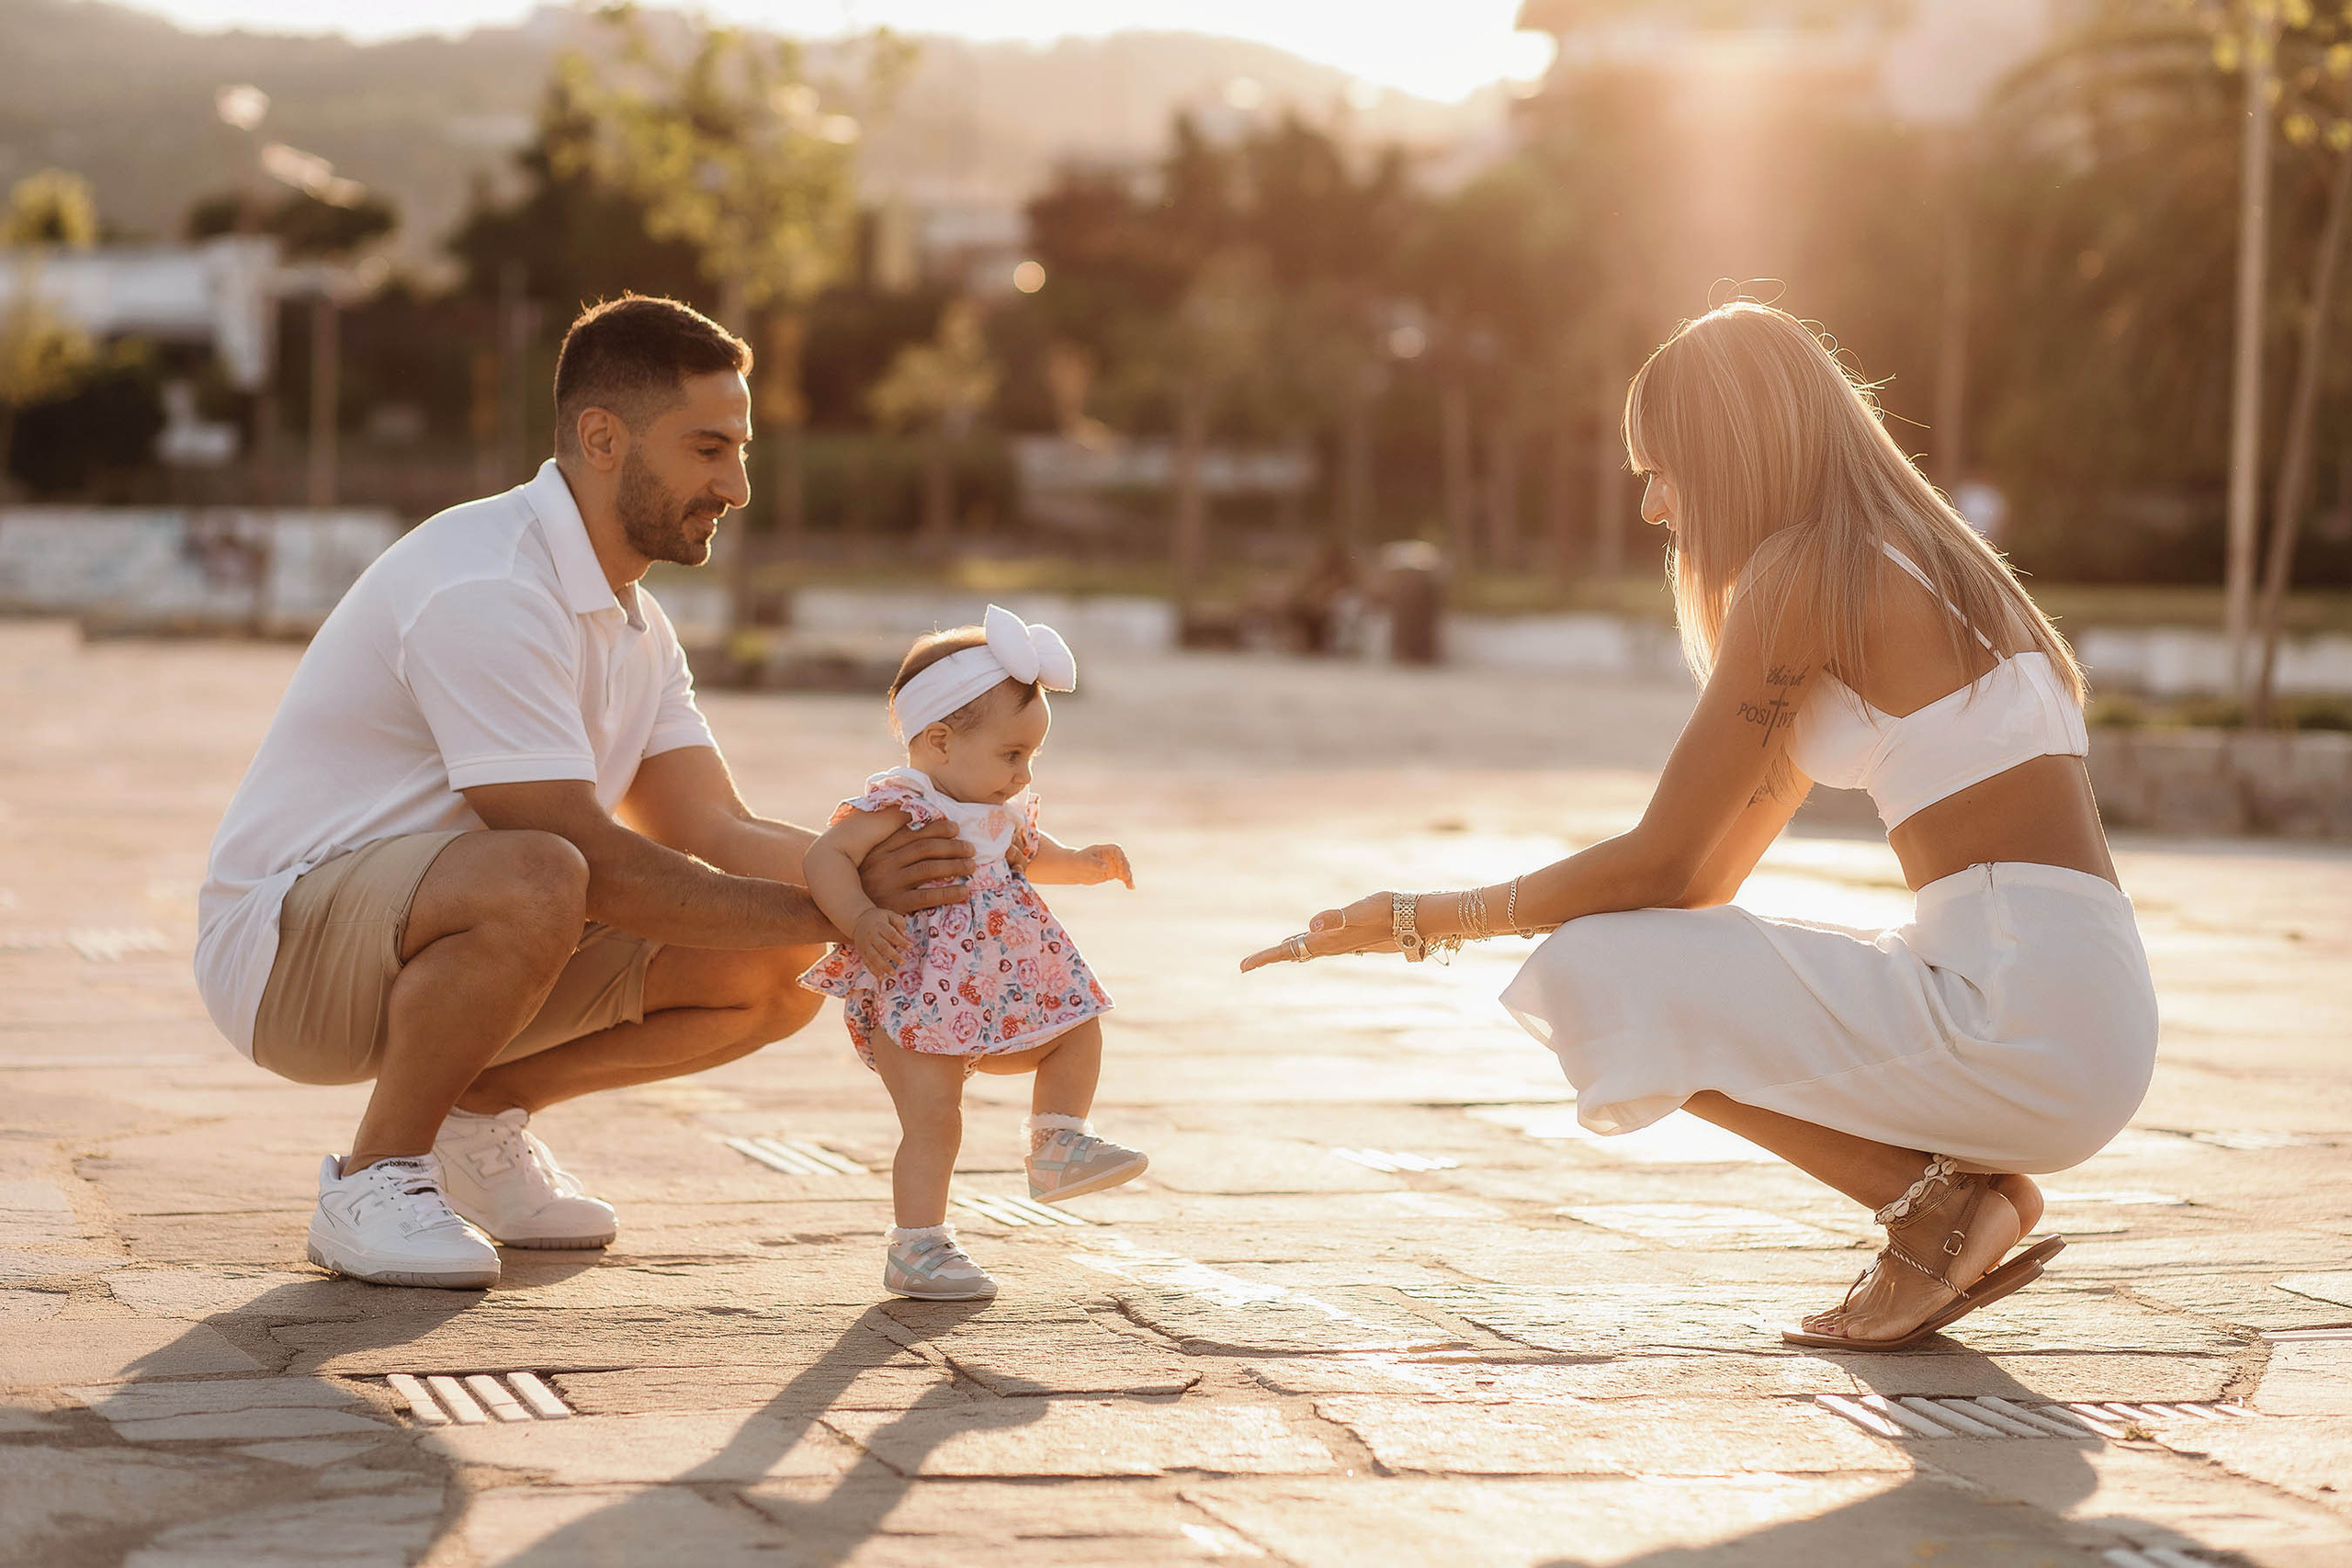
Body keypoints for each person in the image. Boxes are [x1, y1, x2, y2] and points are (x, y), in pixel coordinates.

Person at [1242, 301, 2158, 1351]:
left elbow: (1663, 858)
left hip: (2020, 1013)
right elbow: (1696, 884)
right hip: (2075, 1008)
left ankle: (1934, 1209)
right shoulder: (1923, 559)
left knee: (1596, 969)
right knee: (1634, 954)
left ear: (1729, 454)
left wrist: (1413, 915)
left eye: (1662, 467)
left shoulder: (1808, 572)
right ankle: (1940, 1202)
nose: (1649, 505)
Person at [195, 295, 974, 1291]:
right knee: (542, 870)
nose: (735, 484)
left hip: (442, 928)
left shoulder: (636, 625)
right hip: (286, 955)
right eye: (706, 449)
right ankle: (373, 1178)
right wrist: (853, 916)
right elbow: (586, 857)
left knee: (781, 961)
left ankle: (475, 1123)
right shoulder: (487, 582)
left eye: (741, 451)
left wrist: (882, 873)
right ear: (602, 439)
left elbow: (713, 824)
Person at [799, 606, 1146, 1301]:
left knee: (1078, 1024)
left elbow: (1031, 854)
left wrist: (1084, 861)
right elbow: (826, 854)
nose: (1023, 775)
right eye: (1012, 755)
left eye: (1032, 757)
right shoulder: (909, 801)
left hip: (1006, 982)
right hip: (922, 983)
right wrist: (862, 917)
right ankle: (918, 1245)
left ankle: (1057, 1142)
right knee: (934, 1118)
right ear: (939, 741)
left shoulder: (1000, 806)